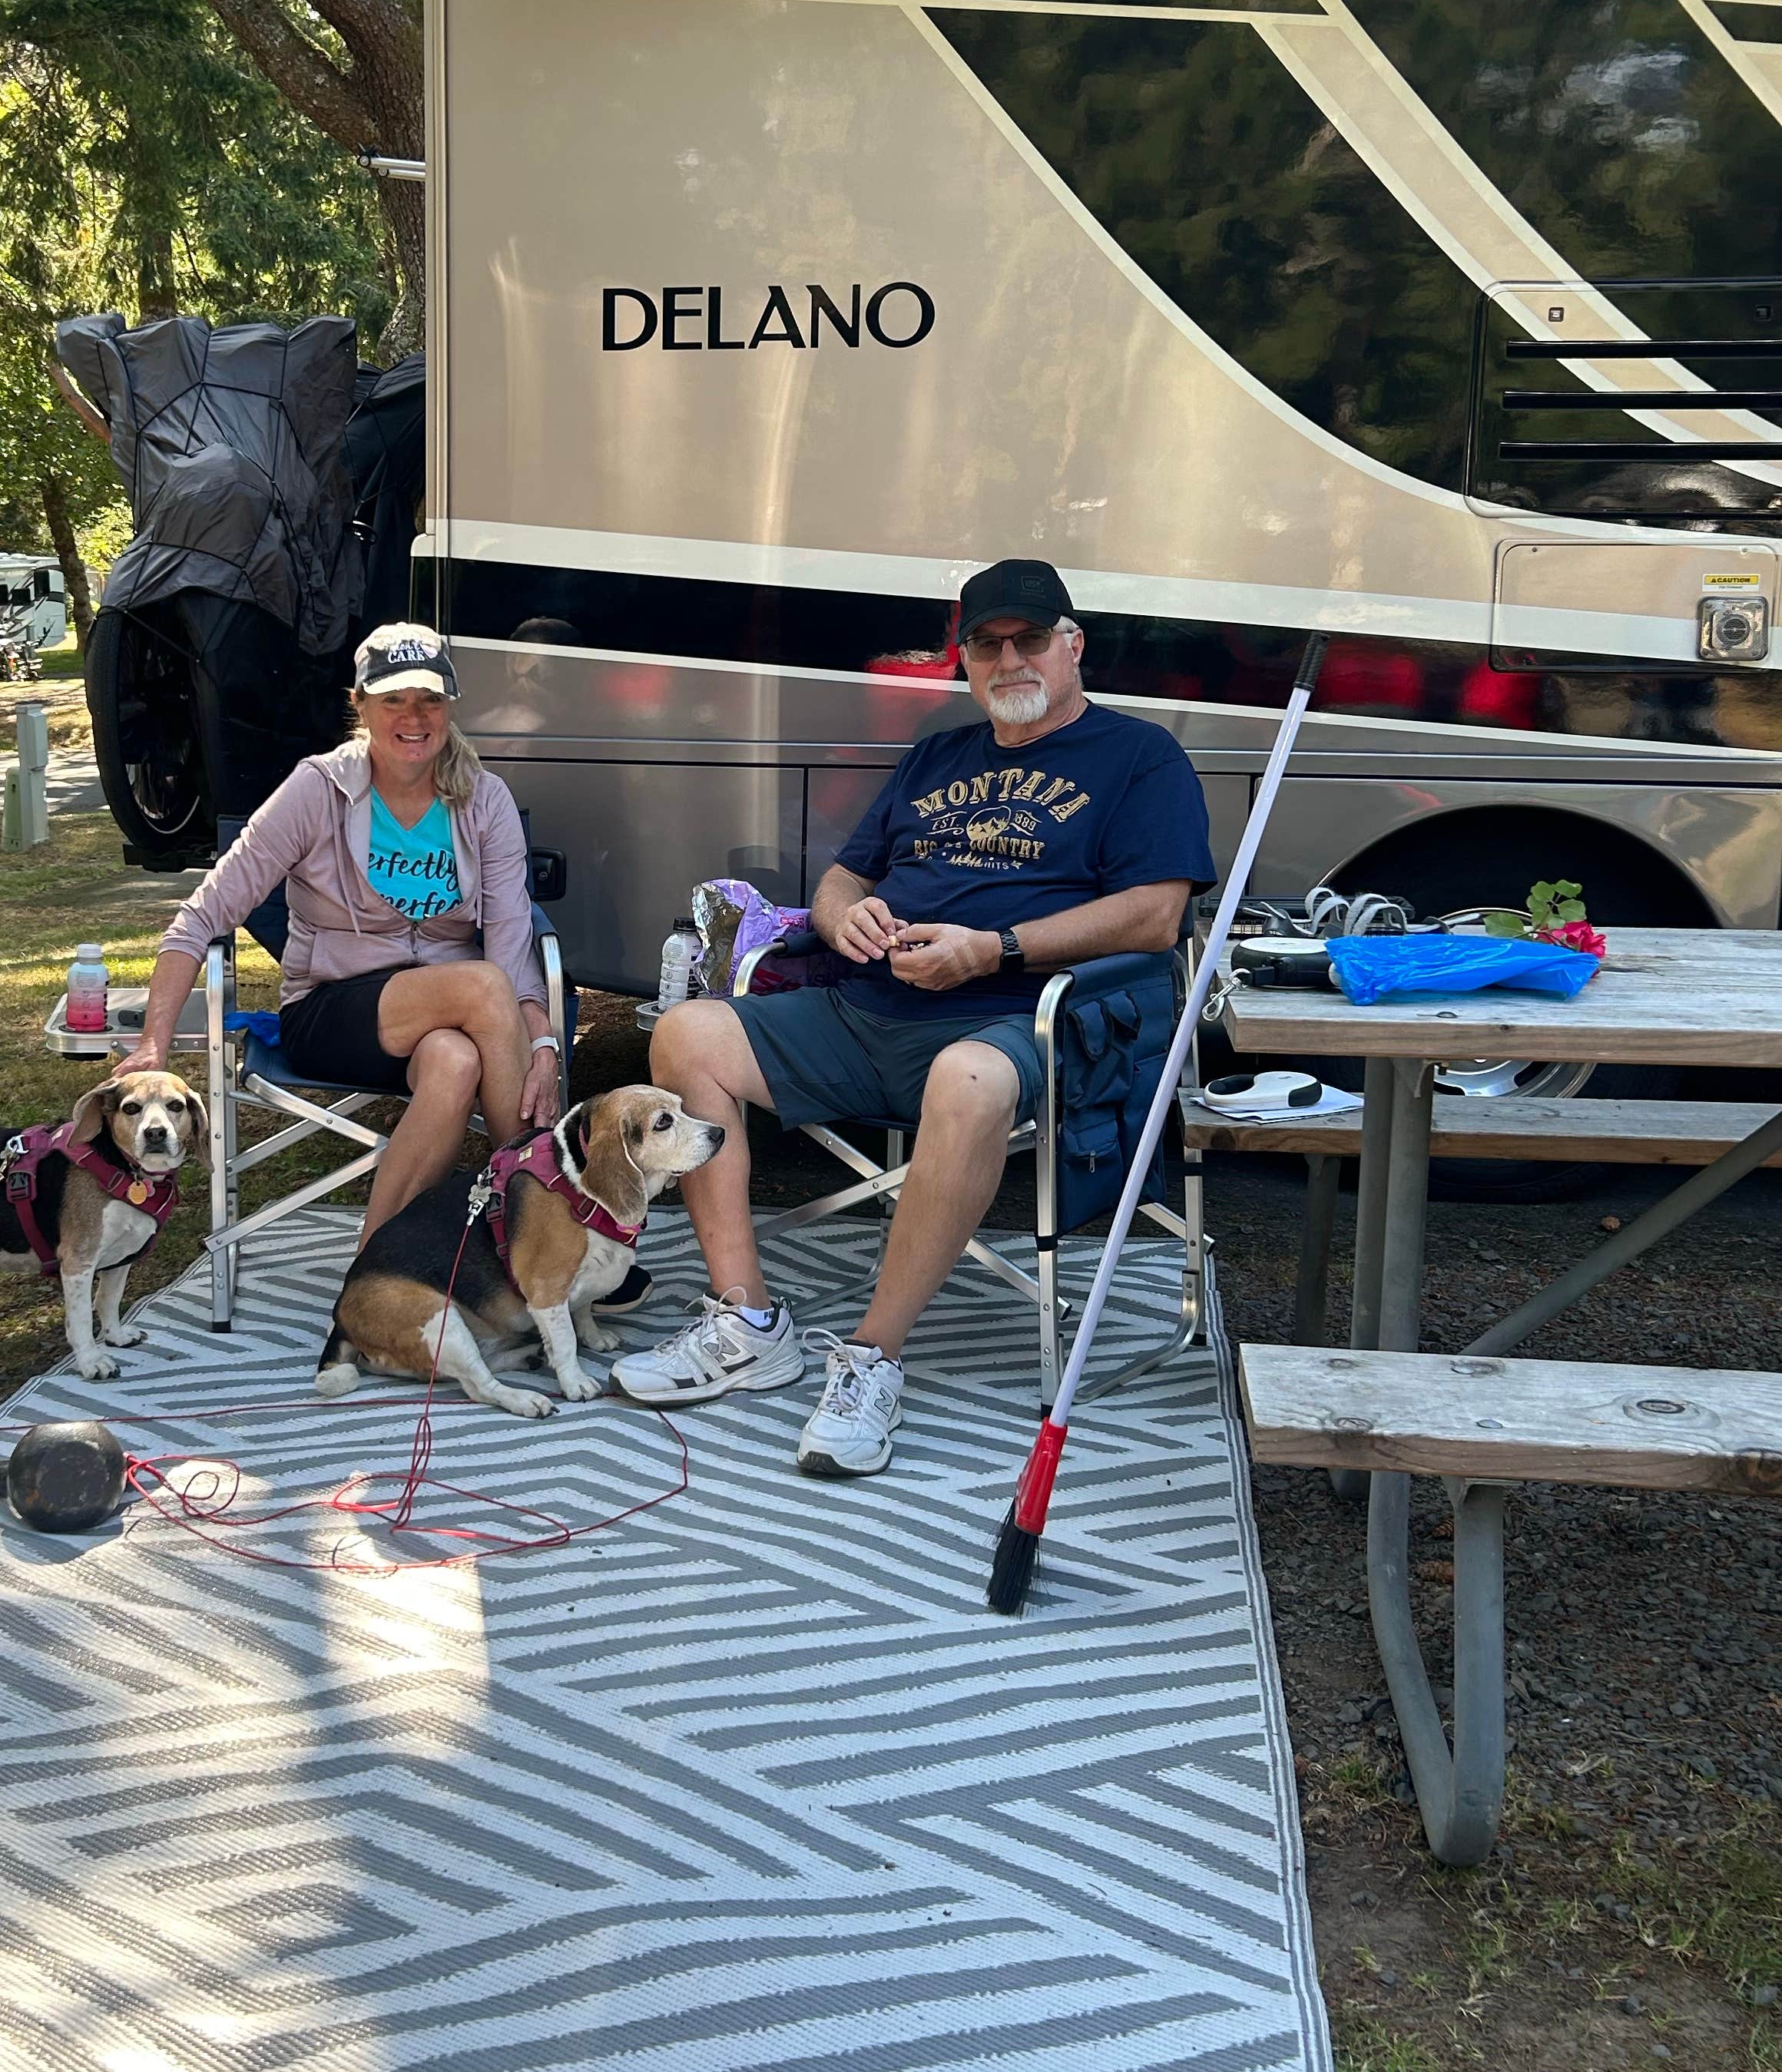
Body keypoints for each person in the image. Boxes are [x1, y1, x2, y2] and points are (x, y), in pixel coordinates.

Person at [617, 559, 1213, 1479]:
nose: (1010, 659)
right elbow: (847, 872)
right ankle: (746, 1322)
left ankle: (874, 1356)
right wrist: (837, 913)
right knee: (687, 1034)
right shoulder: (939, 753)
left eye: (1030, 639)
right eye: (988, 644)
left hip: (1022, 1022)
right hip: (869, 1013)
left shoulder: (1139, 758)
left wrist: (995, 947)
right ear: (965, 662)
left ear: (1072, 645)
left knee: (965, 1078)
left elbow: (1155, 916)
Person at [120, 623, 561, 1241]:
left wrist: (542, 1046)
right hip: (331, 1011)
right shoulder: (317, 790)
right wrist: (152, 1047)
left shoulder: (483, 800)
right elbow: (202, 916)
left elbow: (514, 941)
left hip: (451, 1021)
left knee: (457, 1061)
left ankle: (377, 1267)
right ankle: (545, 1217)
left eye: (430, 699)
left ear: (450, 706)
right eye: (393, 700)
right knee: (485, 986)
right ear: (359, 704)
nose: (414, 716)